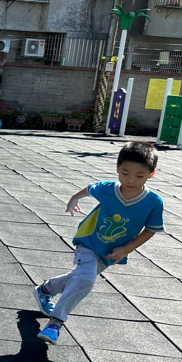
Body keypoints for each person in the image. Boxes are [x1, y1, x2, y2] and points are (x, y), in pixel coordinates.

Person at [33, 141, 165, 343]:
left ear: (151, 174)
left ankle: (45, 290)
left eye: (139, 176)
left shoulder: (153, 202)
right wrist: (74, 199)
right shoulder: (108, 189)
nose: (131, 180)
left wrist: (126, 249)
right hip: (88, 241)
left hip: (110, 251)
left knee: (79, 278)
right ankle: (55, 323)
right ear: (117, 168)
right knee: (86, 280)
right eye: (125, 173)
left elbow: (151, 230)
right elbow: (89, 189)